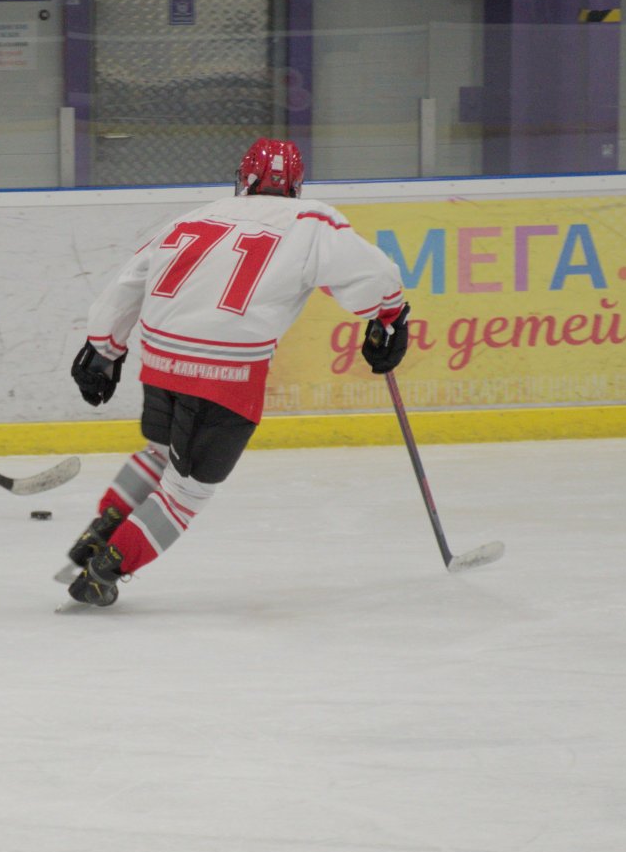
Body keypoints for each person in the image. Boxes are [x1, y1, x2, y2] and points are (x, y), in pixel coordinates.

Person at [62, 136, 414, 607]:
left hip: (161, 363)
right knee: (186, 493)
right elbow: (374, 275)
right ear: (296, 185)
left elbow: (131, 280)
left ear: (243, 179)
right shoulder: (310, 222)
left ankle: (103, 527)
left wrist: (103, 347)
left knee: (160, 454)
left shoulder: (196, 216)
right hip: (225, 377)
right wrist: (389, 318)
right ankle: (106, 569)